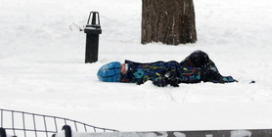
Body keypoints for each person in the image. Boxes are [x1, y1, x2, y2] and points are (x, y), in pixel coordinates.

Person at [97, 50, 236, 87]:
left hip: (178, 66)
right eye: (120, 67)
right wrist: (167, 77)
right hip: (181, 74)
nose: (124, 65)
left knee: (199, 56)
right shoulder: (135, 75)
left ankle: (217, 77)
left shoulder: (132, 67)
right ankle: (225, 81)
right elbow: (153, 79)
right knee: (209, 73)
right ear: (117, 75)